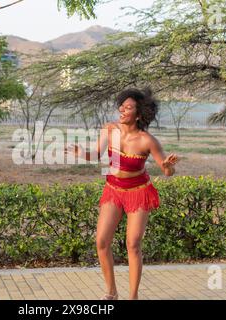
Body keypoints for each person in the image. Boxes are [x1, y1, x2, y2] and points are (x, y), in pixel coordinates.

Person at [66, 88, 179, 300]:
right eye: (122, 106)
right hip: (113, 190)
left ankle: (133, 296)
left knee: (133, 244)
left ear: (139, 114)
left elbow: (167, 172)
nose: (122, 110)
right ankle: (111, 293)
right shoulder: (109, 129)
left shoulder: (147, 141)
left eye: (128, 108)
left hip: (138, 192)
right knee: (101, 242)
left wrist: (167, 165)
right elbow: (95, 154)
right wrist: (80, 152)